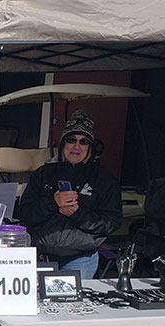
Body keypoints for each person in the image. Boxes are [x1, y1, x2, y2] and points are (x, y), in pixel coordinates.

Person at [17, 110, 122, 279]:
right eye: (71, 140)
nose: (77, 146)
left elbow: (112, 222)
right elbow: (24, 214)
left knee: (70, 305)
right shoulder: (43, 173)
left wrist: (78, 214)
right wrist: (52, 202)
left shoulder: (104, 180)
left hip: (80, 259)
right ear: (63, 143)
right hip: (39, 256)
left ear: (91, 147)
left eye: (84, 141)